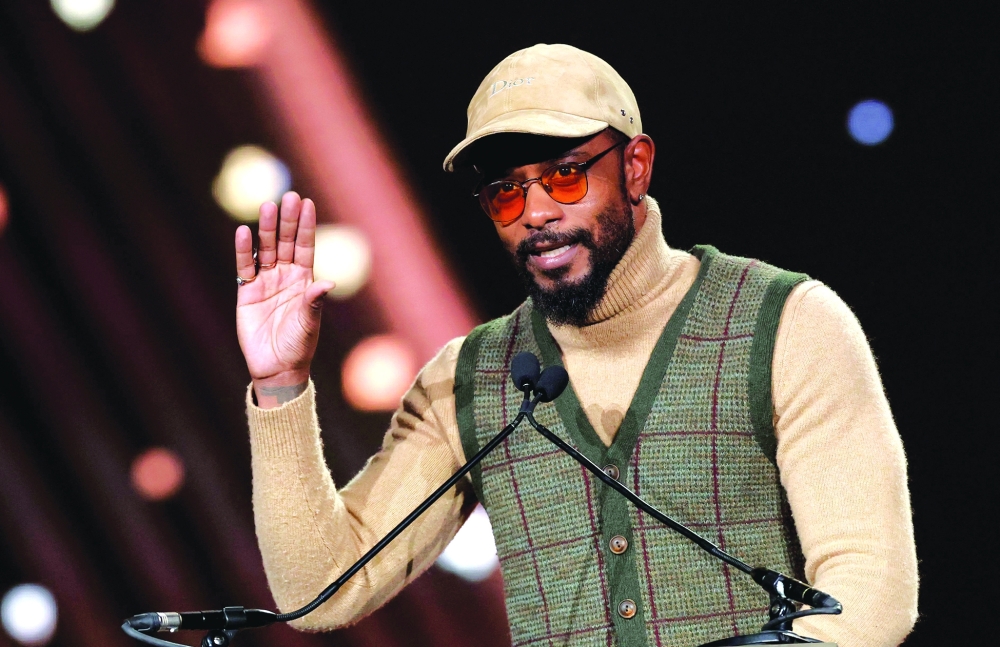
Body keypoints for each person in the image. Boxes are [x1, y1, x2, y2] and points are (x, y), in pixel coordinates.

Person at [234, 44, 917, 647]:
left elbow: (871, 588)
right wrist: (280, 385)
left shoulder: (789, 324)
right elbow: (320, 589)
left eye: (565, 174)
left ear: (637, 166)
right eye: (505, 193)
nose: (535, 213)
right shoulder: (469, 380)